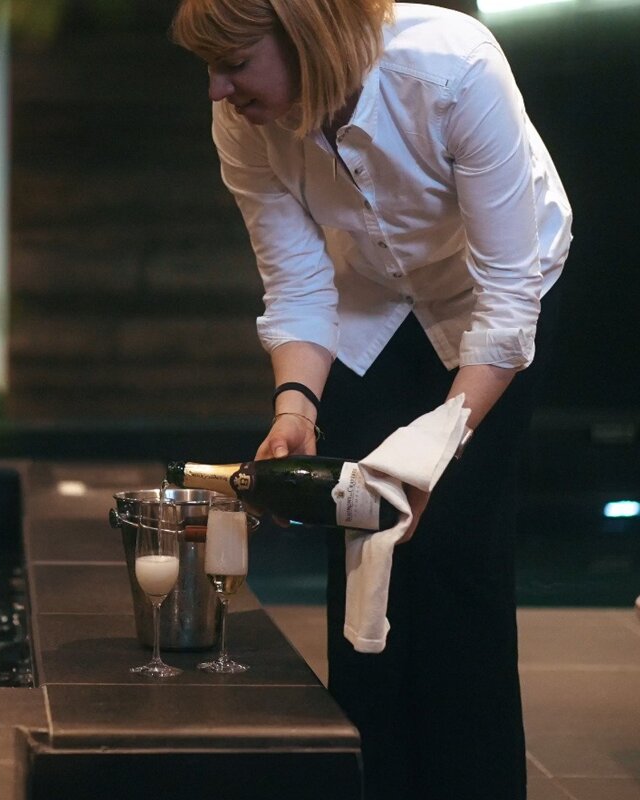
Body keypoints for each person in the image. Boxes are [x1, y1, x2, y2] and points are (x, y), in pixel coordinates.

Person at [171, 1, 571, 799]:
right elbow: (296, 282)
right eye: (211, 68)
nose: (217, 90)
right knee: (361, 543)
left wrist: (439, 451)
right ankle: (372, 780)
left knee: (455, 553)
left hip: (493, 301)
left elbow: (506, 299)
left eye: (236, 63)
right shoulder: (244, 121)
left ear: (306, 35)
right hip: (370, 309)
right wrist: (295, 411)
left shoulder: (454, 67)